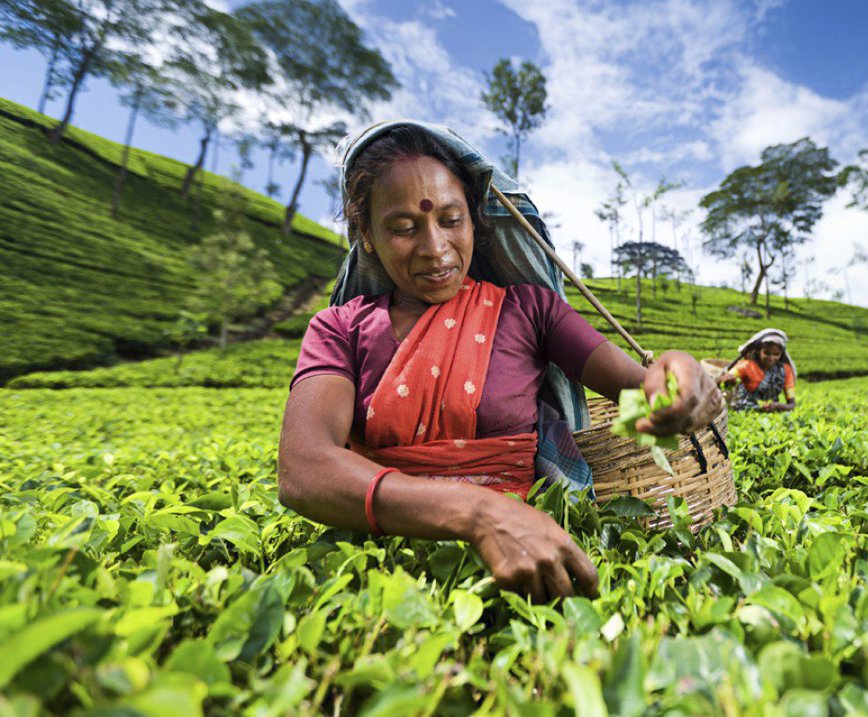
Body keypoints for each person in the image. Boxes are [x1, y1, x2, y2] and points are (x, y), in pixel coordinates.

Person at [277, 122, 722, 603]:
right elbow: (304, 468)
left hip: (532, 567)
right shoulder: (338, 328)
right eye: (403, 228)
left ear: (475, 218)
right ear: (365, 233)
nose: (435, 248)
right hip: (379, 581)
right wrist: (479, 514)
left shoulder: (531, 311)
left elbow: (640, 390)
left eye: (450, 220)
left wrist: (677, 372)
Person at [717, 328, 796, 412]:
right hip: (744, 410)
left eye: (776, 354)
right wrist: (729, 380)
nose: (771, 358)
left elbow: (791, 404)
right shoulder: (746, 366)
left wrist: (777, 406)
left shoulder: (785, 371)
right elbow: (727, 377)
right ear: (759, 351)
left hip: (770, 413)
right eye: (767, 353)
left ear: (781, 354)